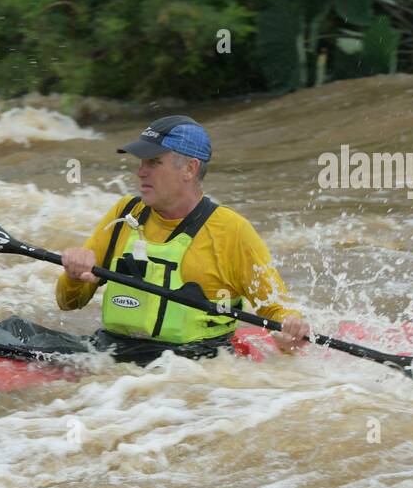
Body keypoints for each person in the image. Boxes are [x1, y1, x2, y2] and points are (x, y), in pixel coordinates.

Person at [58, 115, 309, 362]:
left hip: (194, 364)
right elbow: (68, 302)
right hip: (113, 352)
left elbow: (276, 309)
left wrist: (290, 330)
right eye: (141, 162)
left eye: (153, 162)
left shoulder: (233, 231)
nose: (140, 172)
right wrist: (73, 274)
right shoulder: (124, 214)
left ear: (189, 169)